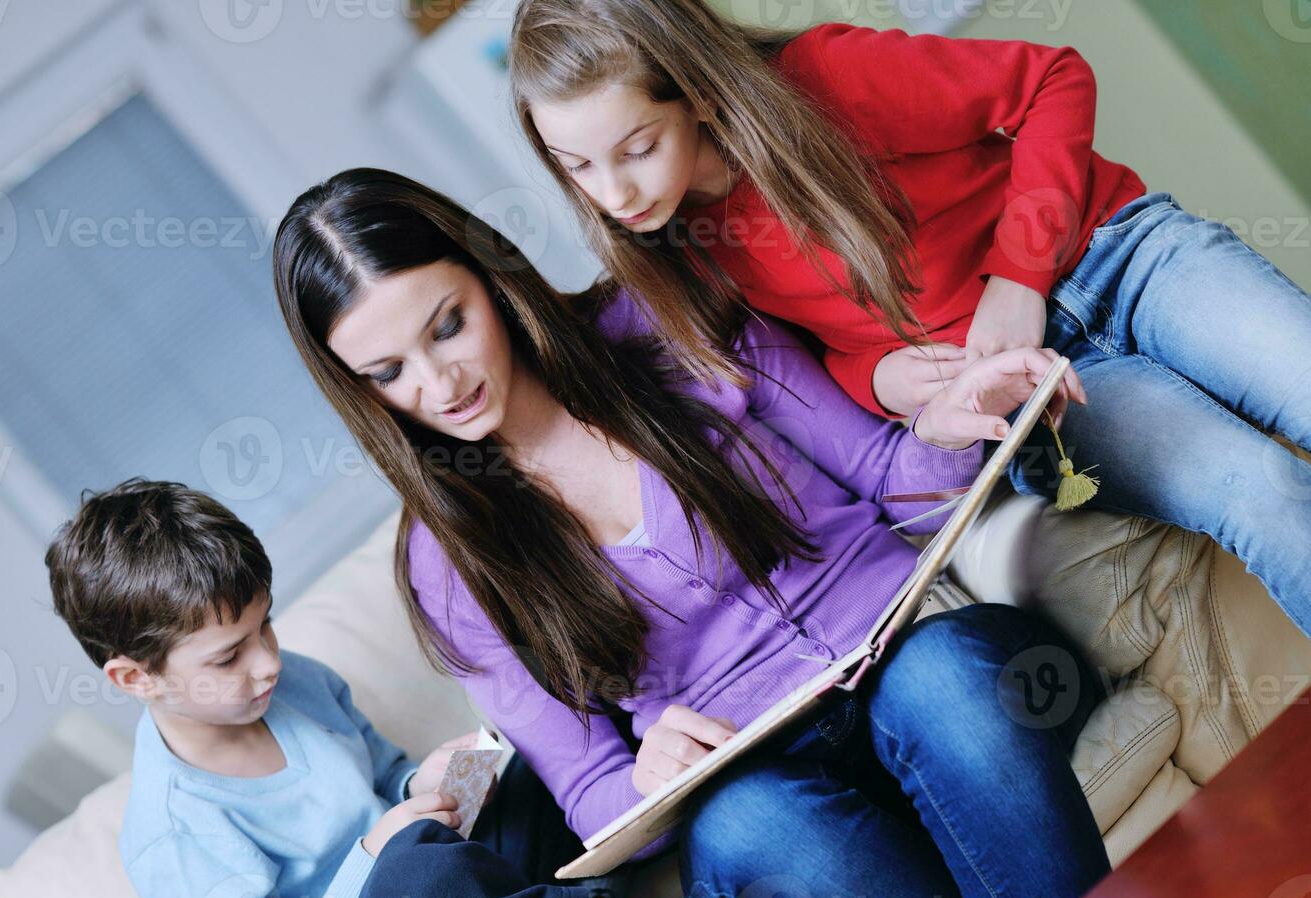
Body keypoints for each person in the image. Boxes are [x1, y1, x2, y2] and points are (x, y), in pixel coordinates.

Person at [271, 167, 1105, 898]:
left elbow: (889, 477)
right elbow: (591, 791)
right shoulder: (446, 562)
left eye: (448, 325)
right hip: (765, 785)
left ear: (491, 278)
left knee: (942, 677)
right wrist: (644, 775)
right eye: (387, 374)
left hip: (927, 676)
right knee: (752, 828)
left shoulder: (658, 318)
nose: (438, 383)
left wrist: (955, 424)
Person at [508, 0, 1311, 638]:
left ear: (699, 93)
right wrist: (882, 378)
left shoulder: (826, 79)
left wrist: (1018, 275)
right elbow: (825, 360)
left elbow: (1052, 81)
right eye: (578, 167)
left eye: (637, 147)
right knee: (1259, 490)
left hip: (1124, 254)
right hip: (1044, 397)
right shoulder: (675, 251)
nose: (615, 195)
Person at [43, 477, 698, 898]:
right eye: (228, 656)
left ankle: (582, 894)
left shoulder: (294, 681)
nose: (267, 661)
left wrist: (429, 781)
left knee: (527, 739)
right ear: (136, 678)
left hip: (448, 868)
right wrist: (374, 855)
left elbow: (388, 777)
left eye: (265, 625)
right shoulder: (174, 828)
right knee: (421, 875)